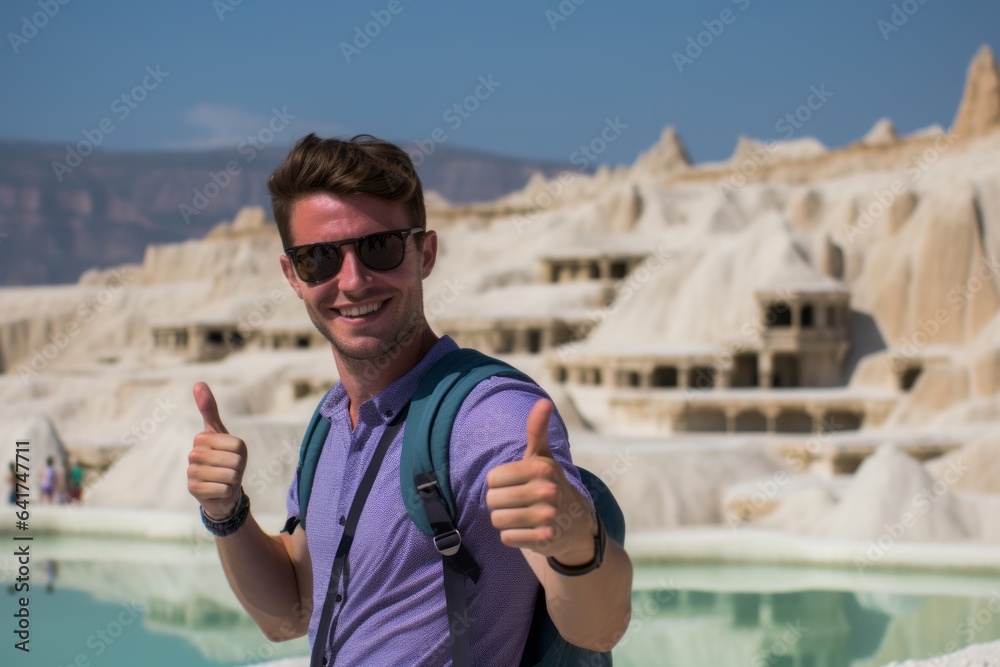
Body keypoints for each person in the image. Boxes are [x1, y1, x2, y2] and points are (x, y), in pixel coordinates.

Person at [186, 134, 633, 665]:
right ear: (293, 277)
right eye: (319, 259)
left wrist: (575, 538)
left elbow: (600, 630)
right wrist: (227, 513)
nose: (352, 281)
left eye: (379, 247)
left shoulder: (490, 417)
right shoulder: (331, 422)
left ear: (425, 253)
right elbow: (291, 613)